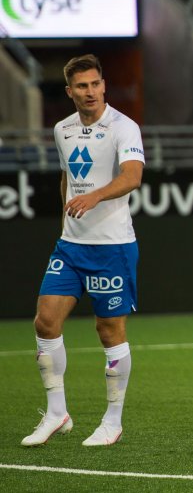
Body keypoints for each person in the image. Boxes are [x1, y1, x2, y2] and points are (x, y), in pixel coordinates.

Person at [21, 54, 145, 447]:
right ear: (69, 91)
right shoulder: (63, 129)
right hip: (71, 246)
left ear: (103, 85)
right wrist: (65, 221)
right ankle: (57, 413)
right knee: (45, 322)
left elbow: (132, 177)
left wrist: (93, 198)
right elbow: (67, 177)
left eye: (95, 84)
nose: (89, 92)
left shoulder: (124, 127)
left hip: (112, 246)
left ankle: (112, 421)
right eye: (81, 86)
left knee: (108, 331)